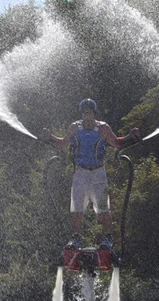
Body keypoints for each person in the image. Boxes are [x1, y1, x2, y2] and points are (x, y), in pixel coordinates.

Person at [42, 98, 140, 250]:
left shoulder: (103, 128)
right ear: (82, 113)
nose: (87, 115)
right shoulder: (74, 127)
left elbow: (117, 143)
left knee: (103, 209)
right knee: (77, 209)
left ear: (94, 113)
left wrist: (130, 136)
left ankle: (107, 239)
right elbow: (63, 144)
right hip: (80, 173)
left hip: (99, 174)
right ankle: (76, 239)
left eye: (89, 112)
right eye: (84, 112)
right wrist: (50, 136)